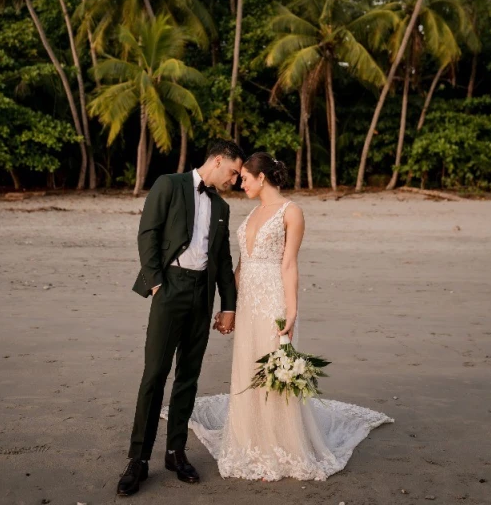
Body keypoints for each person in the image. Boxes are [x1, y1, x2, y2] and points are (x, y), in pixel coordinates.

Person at [173, 151, 394, 481]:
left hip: (273, 300)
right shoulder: (251, 214)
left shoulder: (292, 212)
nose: (239, 183)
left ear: (261, 178)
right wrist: (228, 306)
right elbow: (240, 265)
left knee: (273, 372)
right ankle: (251, 441)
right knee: (248, 366)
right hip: (246, 301)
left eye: (244, 178)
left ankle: (277, 447)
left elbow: (289, 264)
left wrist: (291, 310)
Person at [116, 139, 245, 497]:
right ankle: (138, 460)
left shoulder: (221, 207)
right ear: (218, 161)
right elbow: (148, 234)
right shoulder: (168, 184)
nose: (234, 180)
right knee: (154, 373)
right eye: (233, 172)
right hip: (169, 289)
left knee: (188, 376)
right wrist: (157, 284)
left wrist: (228, 305)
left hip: (201, 297)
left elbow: (220, 260)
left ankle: (175, 452)